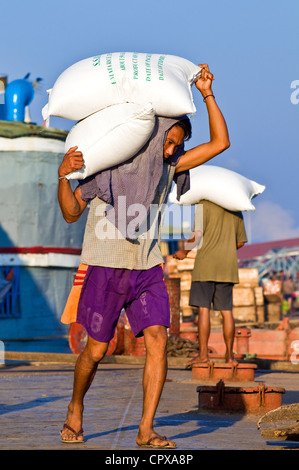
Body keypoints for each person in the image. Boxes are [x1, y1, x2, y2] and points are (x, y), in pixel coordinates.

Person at [57, 64, 230, 447]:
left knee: (157, 339)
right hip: (106, 264)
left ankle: (145, 429)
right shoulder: (112, 165)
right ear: (152, 138)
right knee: (97, 350)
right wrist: (62, 176)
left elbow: (220, 143)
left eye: (177, 145)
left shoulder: (168, 168)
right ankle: (75, 406)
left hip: (147, 267)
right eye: (168, 142)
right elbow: (71, 212)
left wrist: (206, 93)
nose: (171, 150)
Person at [174, 200, 247, 365]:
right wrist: (225, 249)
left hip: (205, 265)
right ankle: (230, 357)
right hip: (227, 267)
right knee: (227, 312)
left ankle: (203, 355)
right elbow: (240, 242)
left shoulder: (203, 206)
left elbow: (197, 235)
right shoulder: (235, 208)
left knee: (204, 310)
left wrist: (184, 252)